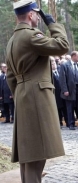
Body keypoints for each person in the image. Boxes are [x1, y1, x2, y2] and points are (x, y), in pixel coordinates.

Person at [5, 1, 69, 182]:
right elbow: (62, 45)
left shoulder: (12, 40)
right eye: (37, 15)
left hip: (24, 95)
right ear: (32, 15)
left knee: (29, 155)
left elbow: (11, 77)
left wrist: (21, 96)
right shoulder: (31, 36)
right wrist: (53, 24)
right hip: (36, 97)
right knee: (36, 156)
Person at [59, 51, 78, 130]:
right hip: (70, 89)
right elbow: (62, 79)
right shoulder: (65, 65)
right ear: (73, 56)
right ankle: (71, 124)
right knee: (70, 107)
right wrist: (65, 90)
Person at [51, 57, 68, 127]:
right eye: (52, 64)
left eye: (54, 63)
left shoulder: (60, 70)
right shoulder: (49, 74)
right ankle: (59, 121)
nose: (53, 65)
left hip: (63, 92)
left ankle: (68, 121)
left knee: (65, 107)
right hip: (55, 93)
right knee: (58, 108)